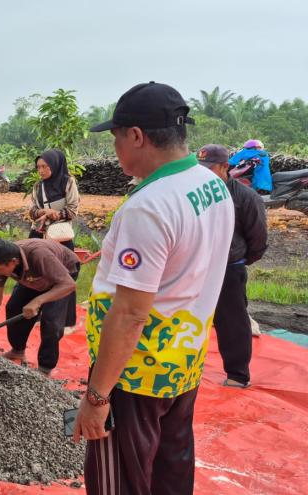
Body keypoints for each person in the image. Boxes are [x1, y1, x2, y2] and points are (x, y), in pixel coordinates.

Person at [76, 82, 234, 495]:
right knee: (170, 467)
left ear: (136, 136)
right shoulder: (211, 184)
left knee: (121, 480)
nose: (116, 148)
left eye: (115, 138)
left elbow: (130, 313)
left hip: (135, 374)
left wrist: (97, 397)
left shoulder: (150, 206)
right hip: (183, 361)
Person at [198, 144, 268, 388]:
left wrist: (239, 259)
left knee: (232, 321)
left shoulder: (246, 197)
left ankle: (238, 374)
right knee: (188, 316)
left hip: (229, 267)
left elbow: (258, 238)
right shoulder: (196, 194)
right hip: (197, 267)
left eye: (210, 168)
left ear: (225, 167)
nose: (204, 173)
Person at [0, 238, 79, 375]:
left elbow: (68, 284)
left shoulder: (39, 255)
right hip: (34, 276)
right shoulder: (1, 263)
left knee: (51, 321)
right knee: (13, 308)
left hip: (63, 272)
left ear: (14, 262)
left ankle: (45, 369)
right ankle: (18, 351)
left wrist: (38, 301)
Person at [28, 149, 80, 251]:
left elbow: (73, 210)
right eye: (38, 167)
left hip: (59, 233)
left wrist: (52, 214)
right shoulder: (38, 186)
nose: (41, 171)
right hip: (39, 231)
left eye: (44, 166)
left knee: (68, 265)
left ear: (54, 165)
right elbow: (31, 211)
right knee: (30, 262)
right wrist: (43, 211)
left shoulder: (68, 182)